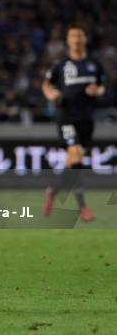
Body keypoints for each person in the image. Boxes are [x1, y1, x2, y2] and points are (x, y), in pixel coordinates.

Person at [42, 25, 105, 222]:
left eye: (79, 35)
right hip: (66, 117)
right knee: (76, 155)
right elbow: (46, 85)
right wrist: (51, 94)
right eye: (72, 36)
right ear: (68, 41)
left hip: (86, 120)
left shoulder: (94, 65)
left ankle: (52, 191)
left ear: (84, 39)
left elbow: (102, 87)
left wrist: (98, 91)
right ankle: (83, 206)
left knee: (73, 165)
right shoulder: (60, 65)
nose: (76, 39)